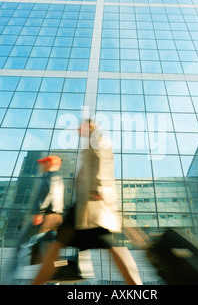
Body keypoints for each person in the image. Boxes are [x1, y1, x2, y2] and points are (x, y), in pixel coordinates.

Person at [32, 120, 142, 285]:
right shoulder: (94, 139)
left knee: (110, 247)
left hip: (91, 204)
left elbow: (101, 162)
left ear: (89, 126)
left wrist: (97, 189)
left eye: (81, 126)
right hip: (86, 205)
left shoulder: (96, 138)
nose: (78, 129)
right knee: (61, 246)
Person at [2, 156, 65, 284]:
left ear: (50, 164)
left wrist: (39, 212)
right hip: (56, 218)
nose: (41, 165)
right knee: (49, 255)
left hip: (45, 217)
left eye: (43, 163)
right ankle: (55, 282)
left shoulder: (50, 176)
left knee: (21, 246)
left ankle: (6, 281)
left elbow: (48, 192)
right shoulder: (60, 179)